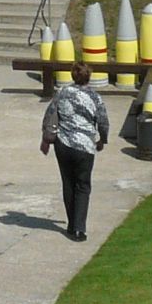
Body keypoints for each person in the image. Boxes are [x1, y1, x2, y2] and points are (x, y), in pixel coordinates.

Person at [39, 60, 109, 241]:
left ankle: (71, 224)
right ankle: (79, 229)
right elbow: (103, 122)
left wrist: (46, 139)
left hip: (63, 144)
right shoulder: (95, 97)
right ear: (89, 77)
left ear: (72, 76)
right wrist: (102, 140)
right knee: (83, 185)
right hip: (85, 146)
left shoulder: (62, 93)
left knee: (68, 183)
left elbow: (49, 115)